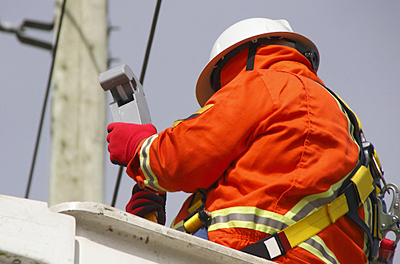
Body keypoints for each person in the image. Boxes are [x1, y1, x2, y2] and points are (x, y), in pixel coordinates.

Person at [106, 18, 373, 263]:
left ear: (235, 62)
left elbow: (180, 158)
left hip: (251, 253)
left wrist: (140, 149)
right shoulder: (348, 126)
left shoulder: (264, 84)